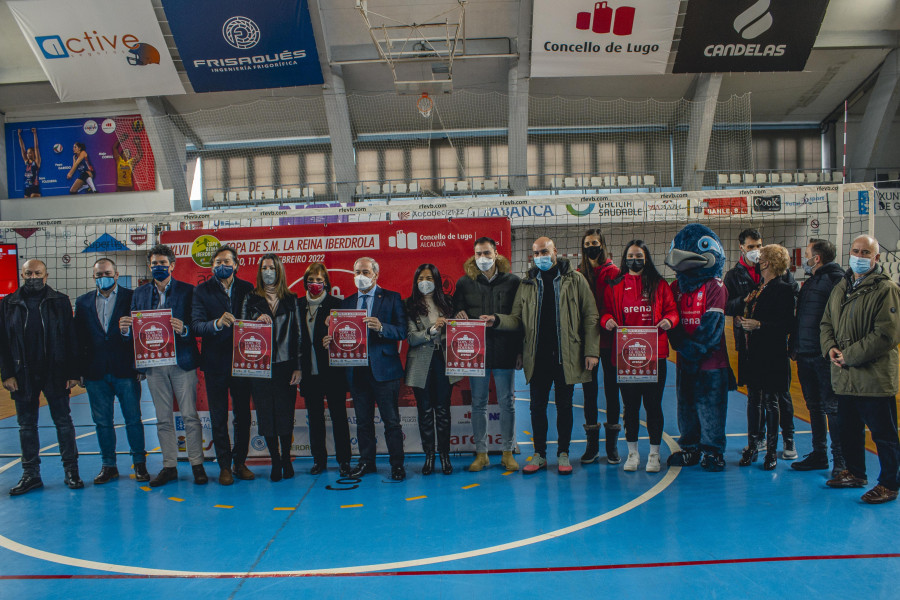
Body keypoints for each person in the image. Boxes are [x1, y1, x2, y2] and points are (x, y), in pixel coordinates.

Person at [483, 237, 599, 475]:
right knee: (537, 407)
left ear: (555, 251)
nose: (540, 257)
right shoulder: (527, 283)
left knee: (565, 406)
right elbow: (516, 318)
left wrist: (591, 351)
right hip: (536, 356)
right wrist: (497, 319)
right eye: (535, 254)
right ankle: (539, 454)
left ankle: (564, 453)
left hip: (566, 355)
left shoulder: (575, 280)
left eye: (544, 252)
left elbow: (590, 316)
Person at [821, 235, 900, 504]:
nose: (859, 256)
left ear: (876, 258)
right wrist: (830, 347)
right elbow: (826, 322)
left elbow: (886, 335)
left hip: (873, 378)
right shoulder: (841, 286)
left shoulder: (886, 289)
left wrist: (849, 356)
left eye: (865, 252)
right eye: (855, 251)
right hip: (845, 377)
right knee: (848, 429)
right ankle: (855, 473)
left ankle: (889, 483)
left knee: (884, 434)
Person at [122, 244, 205, 487]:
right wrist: (126, 331)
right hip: (154, 364)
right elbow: (136, 333)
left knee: (190, 416)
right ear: (149, 266)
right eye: (154, 263)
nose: (158, 267)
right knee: (163, 418)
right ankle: (169, 466)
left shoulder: (188, 291)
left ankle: (197, 464)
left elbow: (196, 325)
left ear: (173, 265)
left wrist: (185, 329)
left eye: (162, 263)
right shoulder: (139, 294)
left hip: (182, 361)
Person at [1, 259, 82, 495]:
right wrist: (7, 374)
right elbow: (3, 343)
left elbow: (71, 339)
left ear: (46, 276)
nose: (33, 277)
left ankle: (71, 471)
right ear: (22, 275)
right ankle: (31, 475)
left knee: (63, 422)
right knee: (26, 426)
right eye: (28, 273)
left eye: (37, 273)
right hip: (22, 373)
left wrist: (73, 373)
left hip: (55, 373)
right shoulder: (9, 304)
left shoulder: (60, 301)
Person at [325, 257, 407, 481]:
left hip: (385, 370)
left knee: (391, 422)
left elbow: (402, 331)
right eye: (357, 272)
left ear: (375, 274)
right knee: (363, 422)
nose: (360, 276)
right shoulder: (346, 303)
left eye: (365, 272)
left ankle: (397, 465)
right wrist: (331, 340)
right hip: (356, 370)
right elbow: (343, 338)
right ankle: (366, 462)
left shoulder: (391, 298)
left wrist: (381, 327)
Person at [601, 240, 677, 473]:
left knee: (653, 406)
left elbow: (673, 311)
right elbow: (604, 313)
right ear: (625, 258)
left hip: (655, 356)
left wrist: (669, 320)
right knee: (630, 407)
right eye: (631, 255)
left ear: (646, 258)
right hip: (626, 357)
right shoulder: (614, 285)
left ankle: (654, 454)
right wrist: (607, 321)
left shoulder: (659, 284)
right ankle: (632, 453)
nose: (635, 259)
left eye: (639, 255)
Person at [724, 228, 799, 459]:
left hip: (773, 347)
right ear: (742, 248)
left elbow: (788, 314)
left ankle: (787, 440)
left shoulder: (783, 281)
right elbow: (728, 306)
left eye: (759, 247)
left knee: (779, 396)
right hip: (748, 345)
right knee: (755, 396)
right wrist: (742, 307)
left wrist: (759, 323)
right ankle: (756, 441)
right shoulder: (734, 276)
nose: (756, 252)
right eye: (751, 247)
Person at [665, 224, 733, 471]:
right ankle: (690, 449)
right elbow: (671, 320)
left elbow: (712, 327)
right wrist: (681, 345)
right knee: (686, 407)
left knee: (711, 408)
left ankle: (713, 452)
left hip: (712, 362)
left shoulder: (715, 285)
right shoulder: (676, 288)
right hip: (685, 361)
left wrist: (691, 349)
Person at [74, 258, 147, 485]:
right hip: (95, 372)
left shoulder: (133, 297)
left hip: (125, 369)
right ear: (93, 277)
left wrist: (141, 365)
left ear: (116, 275)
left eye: (106, 273)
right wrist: (79, 370)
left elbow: (142, 332)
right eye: (98, 275)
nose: (102, 277)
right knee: (102, 422)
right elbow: (79, 338)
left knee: (133, 420)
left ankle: (140, 464)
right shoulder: (83, 302)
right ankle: (108, 465)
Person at [452, 237, 521, 472]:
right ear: (473, 256)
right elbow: (455, 310)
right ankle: (481, 454)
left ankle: (507, 453)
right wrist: (458, 312)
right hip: (475, 355)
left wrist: (519, 351)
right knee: (478, 404)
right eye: (478, 254)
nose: (482, 258)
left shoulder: (513, 282)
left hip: (504, 351)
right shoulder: (464, 283)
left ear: (496, 253)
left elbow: (520, 319)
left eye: (486, 253)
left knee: (507, 404)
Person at [191, 245, 255, 485]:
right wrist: (216, 324)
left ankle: (240, 463)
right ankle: (224, 466)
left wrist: (260, 320)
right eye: (217, 262)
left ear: (236, 265)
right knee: (218, 417)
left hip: (243, 362)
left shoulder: (248, 289)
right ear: (211, 267)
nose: (221, 266)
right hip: (215, 362)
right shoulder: (202, 291)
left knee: (243, 416)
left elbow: (255, 322)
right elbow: (196, 325)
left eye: (226, 261)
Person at [241, 254, 303, 482]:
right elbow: (241, 330)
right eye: (264, 267)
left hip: (286, 366)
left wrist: (298, 366)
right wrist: (254, 323)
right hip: (259, 366)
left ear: (280, 271)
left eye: (272, 267)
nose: (268, 271)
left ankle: (286, 458)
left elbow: (297, 334)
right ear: (259, 271)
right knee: (266, 416)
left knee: (285, 415)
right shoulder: (250, 298)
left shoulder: (291, 298)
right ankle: (275, 461)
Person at [790, 239, 845, 475]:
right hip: (805, 353)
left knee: (832, 407)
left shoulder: (836, 280)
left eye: (808, 254)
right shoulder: (812, 281)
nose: (805, 259)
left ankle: (840, 461)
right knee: (814, 406)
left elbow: (839, 320)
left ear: (817, 258)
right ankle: (819, 454)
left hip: (823, 355)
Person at [298, 262, 352, 477]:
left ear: (326, 283)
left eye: (319, 280)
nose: (315, 284)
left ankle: (344, 461)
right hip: (308, 371)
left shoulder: (337, 304)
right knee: (315, 419)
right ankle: (319, 460)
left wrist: (334, 338)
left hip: (333, 372)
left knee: (339, 417)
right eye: (311, 280)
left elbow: (349, 338)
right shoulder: (297, 305)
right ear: (305, 282)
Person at [578, 229, 622, 465]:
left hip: (612, 340)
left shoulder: (614, 272)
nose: (591, 246)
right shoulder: (579, 274)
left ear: (603, 244)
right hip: (588, 342)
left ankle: (612, 446)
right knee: (589, 392)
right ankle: (592, 445)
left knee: (612, 390)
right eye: (587, 243)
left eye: (595, 242)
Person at [406, 263, 455, 475]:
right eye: (420, 278)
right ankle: (429, 456)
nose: (424, 282)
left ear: (436, 280)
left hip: (444, 360)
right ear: (416, 281)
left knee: (443, 410)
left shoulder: (448, 303)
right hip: (420, 362)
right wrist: (433, 329)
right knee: (425, 410)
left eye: (429, 277)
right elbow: (411, 337)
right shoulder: (409, 305)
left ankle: (445, 455)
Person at [18, 128, 41, 198]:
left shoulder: (36, 162)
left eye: (30, 153)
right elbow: (22, 148)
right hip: (27, 188)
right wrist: (19, 135)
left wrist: (34, 134)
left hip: (35, 188)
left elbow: (36, 147)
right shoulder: (26, 162)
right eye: (27, 153)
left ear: (33, 153)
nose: (28, 154)